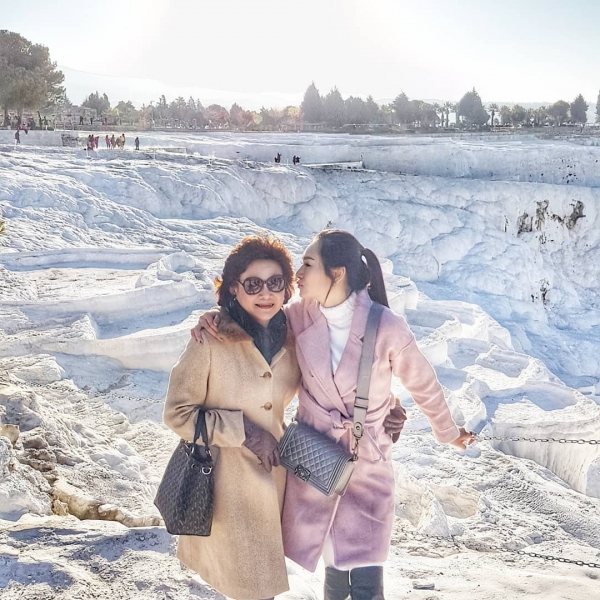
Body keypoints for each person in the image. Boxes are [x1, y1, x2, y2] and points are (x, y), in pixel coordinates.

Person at [193, 229, 473, 600]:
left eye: (308, 264)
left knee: (367, 566)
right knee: (333, 562)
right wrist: (216, 320)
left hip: (366, 460)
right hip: (315, 459)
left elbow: (423, 383)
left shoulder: (386, 326)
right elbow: (255, 321)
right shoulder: (300, 316)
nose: (298, 274)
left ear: (336, 273)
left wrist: (446, 431)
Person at [163, 235, 302, 600]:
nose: (265, 293)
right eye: (253, 284)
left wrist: (387, 408)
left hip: (274, 482)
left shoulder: (294, 339)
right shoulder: (209, 339)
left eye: (275, 282)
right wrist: (244, 431)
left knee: (257, 588)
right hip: (224, 488)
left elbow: (329, 387)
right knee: (252, 588)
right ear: (233, 290)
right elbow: (177, 413)